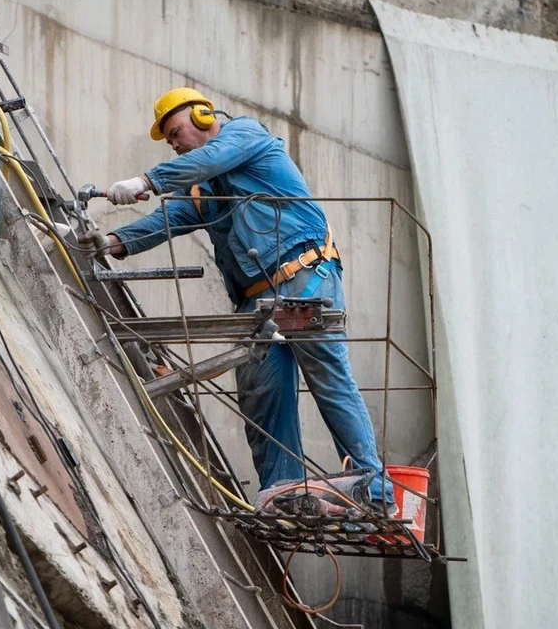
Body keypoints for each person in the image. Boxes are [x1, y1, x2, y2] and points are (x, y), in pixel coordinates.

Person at [80, 87, 395, 508]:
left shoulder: (246, 135)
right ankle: (285, 493)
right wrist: (111, 242)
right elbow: (166, 220)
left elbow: (209, 158)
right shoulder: (204, 192)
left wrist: (147, 180)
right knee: (263, 394)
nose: (174, 145)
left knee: (327, 377)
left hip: (303, 275)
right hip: (257, 301)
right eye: (169, 141)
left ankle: (372, 485)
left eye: (176, 132)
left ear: (206, 117)